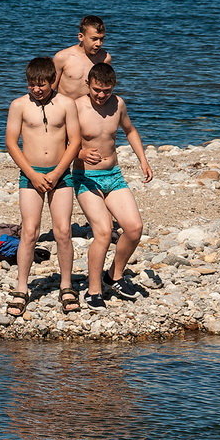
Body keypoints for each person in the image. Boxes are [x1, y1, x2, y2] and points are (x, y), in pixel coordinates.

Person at [4, 56, 82, 317]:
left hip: (61, 174)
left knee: (62, 231)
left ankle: (67, 285)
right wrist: (32, 175)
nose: (37, 89)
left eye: (42, 85)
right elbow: (12, 143)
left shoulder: (66, 104)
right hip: (31, 174)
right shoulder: (19, 105)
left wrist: (59, 171)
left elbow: (75, 141)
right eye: (32, 85)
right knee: (30, 230)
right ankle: (22, 286)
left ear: (52, 81)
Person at [73, 63, 153, 308]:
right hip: (86, 177)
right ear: (88, 84)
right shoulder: (76, 107)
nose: (101, 95)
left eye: (106, 90)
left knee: (134, 228)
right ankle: (93, 289)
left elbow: (129, 130)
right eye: (97, 89)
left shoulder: (117, 104)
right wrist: (81, 153)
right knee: (104, 233)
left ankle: (114, 275)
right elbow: (62, 143)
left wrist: (143, 159)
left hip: (113, 175)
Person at [53, 15, 112, 100]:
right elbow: (50, 89)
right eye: (94, 39)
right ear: (81, 37)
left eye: (101, 39)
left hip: (88, 109)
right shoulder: (62, 57)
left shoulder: (105, 58)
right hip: (65, 108)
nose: (99, 44)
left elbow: (106, 87)